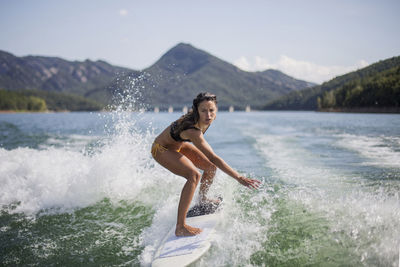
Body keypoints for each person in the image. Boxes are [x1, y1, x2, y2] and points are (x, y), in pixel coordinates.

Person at [151, 92, 261, 236]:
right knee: (194, 175)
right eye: (203, 111)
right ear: (197, 111)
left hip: (178, 144)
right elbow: (213, 157)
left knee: (210, 168)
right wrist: (239, 177)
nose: (208, 115)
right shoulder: (192, 130)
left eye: (211, 110)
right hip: (161, 149)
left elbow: (211, 162)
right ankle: (181, 226)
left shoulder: (205, 120)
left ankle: (202, 200)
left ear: (216, 111)